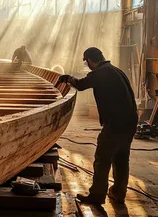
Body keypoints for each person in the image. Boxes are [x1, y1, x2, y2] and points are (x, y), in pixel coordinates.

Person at [57, 47, 138, 204]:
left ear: (89, 60)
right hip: (130, 120)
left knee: (102, 157)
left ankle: (97, 195)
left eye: (87, 63)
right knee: (121, 157)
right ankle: (118, 193)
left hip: (116, 122)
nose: (87, 66)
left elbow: (80, 85)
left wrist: (68, 78)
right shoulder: (115, 70)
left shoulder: (101, 73)